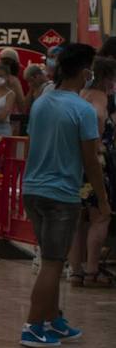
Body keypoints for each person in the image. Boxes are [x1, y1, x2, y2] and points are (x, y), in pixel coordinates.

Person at [20, 44, 104, 346]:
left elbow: (30, 145)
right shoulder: (83, 109)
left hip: (33, 190)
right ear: (84, 72)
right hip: (61, 195)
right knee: (55, 263)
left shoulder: (42, 101)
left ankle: (52, 319)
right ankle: (32, 326)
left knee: (50, 260)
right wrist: (104, 201)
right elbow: (91, 161)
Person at [69, 56, 116, 287]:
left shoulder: (81, 96)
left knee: (78, 219)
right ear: (108, 78)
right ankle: (92, 271)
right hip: (95, 163)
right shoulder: (99, 98)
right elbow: (97, 116)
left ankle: (76, 272)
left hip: (75, 165)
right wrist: (98, 143)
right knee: (101, 216)